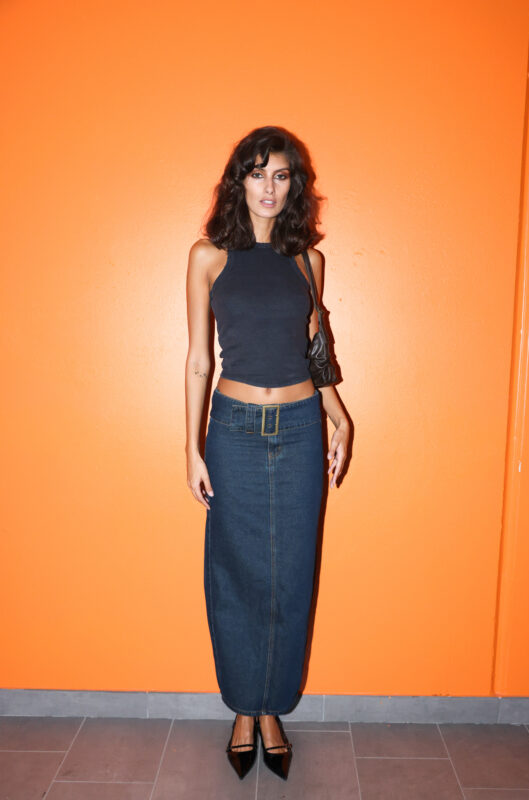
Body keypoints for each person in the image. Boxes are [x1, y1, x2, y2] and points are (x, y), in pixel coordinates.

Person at [185, 125, 349, 780]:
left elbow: (316, 351)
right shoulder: (208, 256)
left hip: (302, 427)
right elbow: (199, 360)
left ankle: (272, 709)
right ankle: (243, 708)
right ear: (239, 182)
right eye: (257, 174)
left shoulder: (308, 262)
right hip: (232, 430)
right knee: (235, 572)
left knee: (290, 573)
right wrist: (191, 446)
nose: (269, 188)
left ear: (294, 186)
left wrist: (339, 417)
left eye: (281, 176)